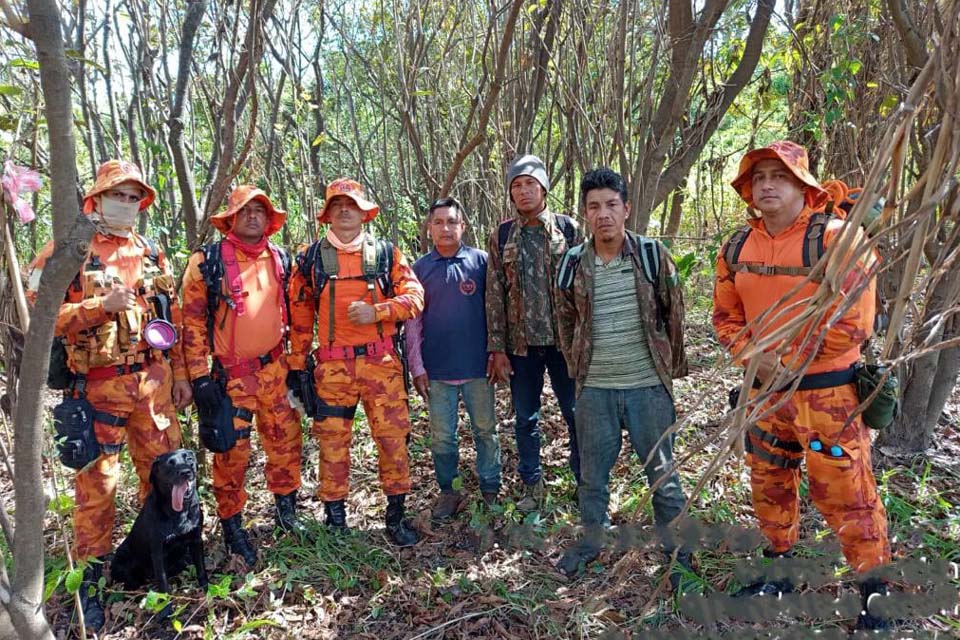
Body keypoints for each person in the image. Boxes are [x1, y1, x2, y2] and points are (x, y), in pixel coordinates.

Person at [712, 141, 891, 629]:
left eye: (780, 176)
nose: (767, 185)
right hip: (764, 394)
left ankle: (875, 595)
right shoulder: (736, 248)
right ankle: (779, 571)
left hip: (827, 397)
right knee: (769, 483)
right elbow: (726, 317)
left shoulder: (839, 240)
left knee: (847, 492)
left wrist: (787, 361)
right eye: (759, 177)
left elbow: (854, 323)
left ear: (803, 186)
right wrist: (754, 359)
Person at [26, 160, 192, 631]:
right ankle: (92, 585)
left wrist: (180, 374)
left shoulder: (152, 252)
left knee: (165, 480)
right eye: (117, 195)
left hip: (154, 386)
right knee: (96, 491)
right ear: (95, 199)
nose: (126, 203)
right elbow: (38, 314)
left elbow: (174, 320)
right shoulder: (67, 251)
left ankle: (160, 562)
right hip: (98, 388)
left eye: (133, 197)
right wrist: (100, 306)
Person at [554, 168, 690, 583]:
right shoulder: (572, 263)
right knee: (592, 476)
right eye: (594, 206)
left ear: (626, 209)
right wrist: (579, 370)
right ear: (585, 213)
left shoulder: (650, 255)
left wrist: (669, 371)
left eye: (612, 204)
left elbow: (674, 313)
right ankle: (592, 540)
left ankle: (677, 551)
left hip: (647, 387)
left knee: (663, 475)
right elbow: (565, 321)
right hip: (595, 389)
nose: (604, 214)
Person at [287, 177, 424, 546]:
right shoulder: (310, 259)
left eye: (352, 205)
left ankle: (396, 516)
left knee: (393, 440)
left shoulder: (387, 254)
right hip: (332, 369)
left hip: (381, 363)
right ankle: (336, 520)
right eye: (337, 205)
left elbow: (415, 297)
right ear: (327, 214)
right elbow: (300, 318)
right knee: (332, 443)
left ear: (364, 213)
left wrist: (377, 312)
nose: (345, 211)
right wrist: (296, 366)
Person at [181, 185, 304, 569]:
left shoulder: (281, 259)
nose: (252, 216)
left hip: (275, 370)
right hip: (230, 378)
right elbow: (191, 322)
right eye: (245, 211)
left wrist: (297, 365)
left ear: (269, 219)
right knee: (231, 454)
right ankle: (232, 525)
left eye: (260, 210)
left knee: (285, 442)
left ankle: (286, 511)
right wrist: (199, 377)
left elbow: (298, 312)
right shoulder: (207, 262)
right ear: (231, 218)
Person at [486, 154, 582, 511]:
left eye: (530, 184)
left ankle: (584, 481)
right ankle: (532, 485)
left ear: (543, 187)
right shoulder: (501, 235)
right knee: (525, 419)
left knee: (575, 413)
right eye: (517, 185)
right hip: (521, 347)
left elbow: (583, 288)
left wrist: (585, 340)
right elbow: (494, 294)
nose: (524, 191)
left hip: (563, 345)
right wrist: (497, 348)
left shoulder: (568, 229)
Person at [405, 198, 501, 520]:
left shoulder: (482, 262)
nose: (445, 228)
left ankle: (490, 487)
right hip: (437, 370)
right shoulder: (419, 269)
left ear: (463, 226)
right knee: (442, 436)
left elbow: (496, 312)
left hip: (478, 367)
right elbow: (413, 323)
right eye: (438, 222)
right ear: (429, 228)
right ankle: (449, 490)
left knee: (485, 430)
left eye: (451, 222)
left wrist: (497, 352)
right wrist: (416, 366)